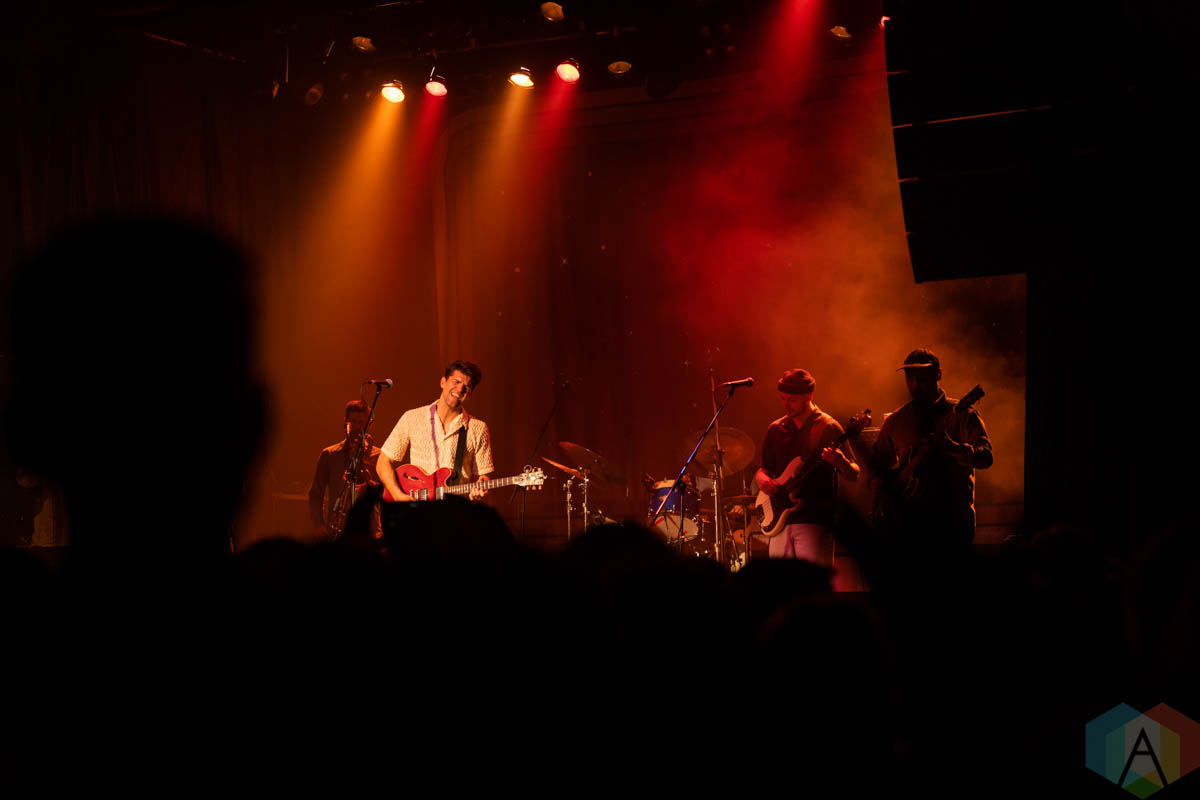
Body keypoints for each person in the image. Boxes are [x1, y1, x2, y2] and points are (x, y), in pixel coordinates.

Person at [867, 348, 992, 556]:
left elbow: (986, 457)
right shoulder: (897, 420)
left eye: (922, 378)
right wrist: (877, 483)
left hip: (951, 526)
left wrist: (952, 447)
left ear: (938, 375)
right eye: (910, 379)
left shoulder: (963, 414)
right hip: (907, 527)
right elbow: (877, 461)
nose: (915, 385)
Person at [754, 368, 859, 565]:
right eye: (782, 399)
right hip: (779, 523)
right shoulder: (776, 429)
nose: (786, 404)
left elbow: (854, 473)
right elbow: (764, 469)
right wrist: (762, 480)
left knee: (814, 582)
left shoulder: (829, 426)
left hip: (815, 521)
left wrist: (839, 461)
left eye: (792, 400)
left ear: (809, 396)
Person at [376, 361, 493, 502]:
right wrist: (397, 495)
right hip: (418, 510)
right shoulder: (412, 418)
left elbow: (482, 476)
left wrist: (480, 489)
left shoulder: (478, 428)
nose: (460, 389)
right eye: (456, 381)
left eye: (466, 386)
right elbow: (383, 462)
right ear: (443, 382)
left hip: (455, 509)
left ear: (469, 394)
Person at [308, 400, 381, 538]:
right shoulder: (329, 454)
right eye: (353, 422)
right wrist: (319, 525)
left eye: (362, 423)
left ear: (369, 424)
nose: (357, 427)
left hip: (369, 533)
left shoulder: (380, 457)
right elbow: (316, 494)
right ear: (345, 422)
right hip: (337, 530)